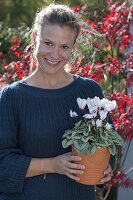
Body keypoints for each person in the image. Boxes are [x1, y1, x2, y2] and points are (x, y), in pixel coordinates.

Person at [0, 3, 113, 200]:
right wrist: (52, 164)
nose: (54, 54)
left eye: (64, 47)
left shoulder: (90, 91)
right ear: (35, 39)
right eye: (48, 43)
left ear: (73, 48)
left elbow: (107, 150)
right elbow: (3, 163)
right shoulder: (12, 97)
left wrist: (104, 171)